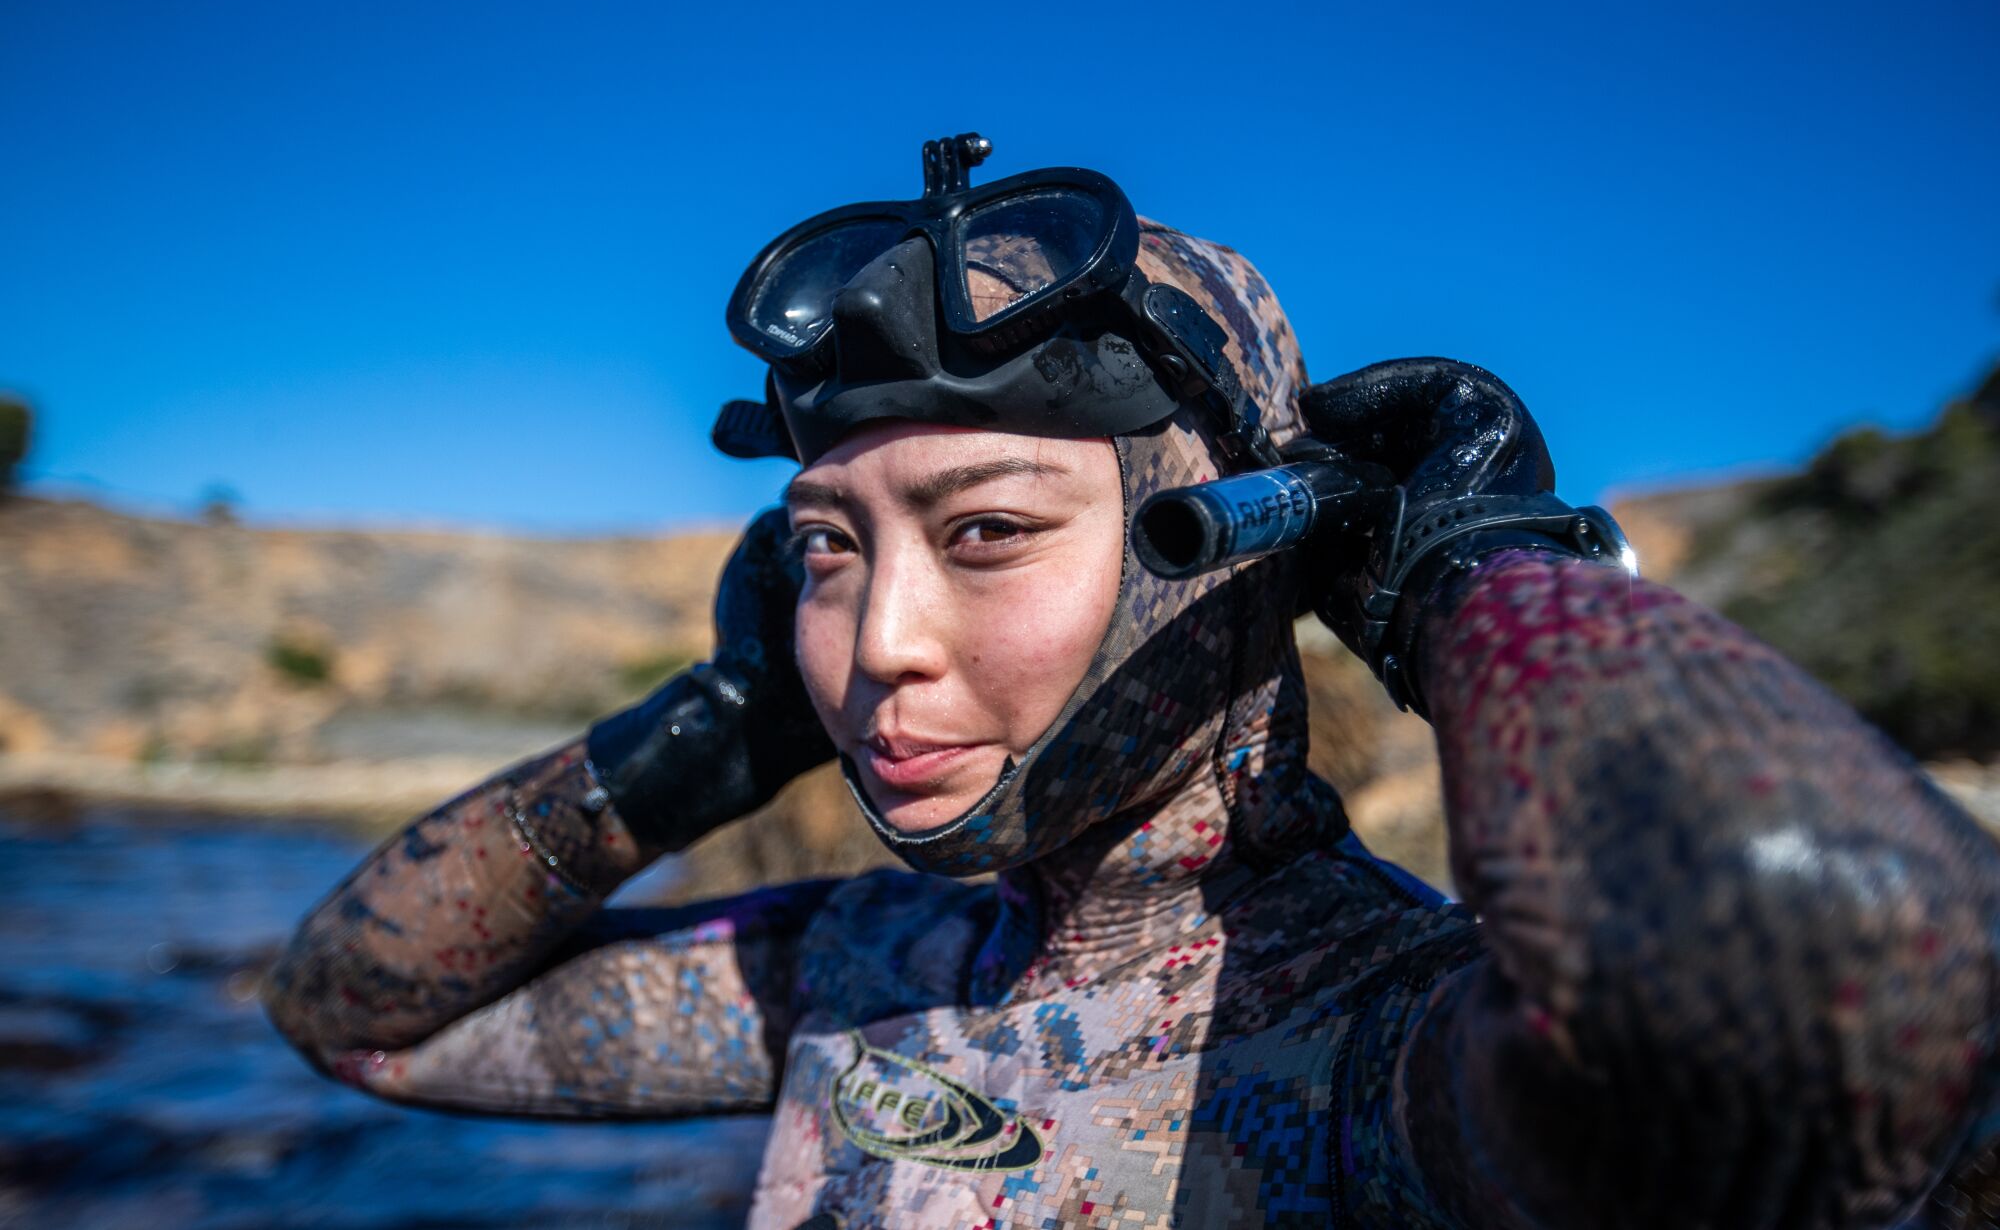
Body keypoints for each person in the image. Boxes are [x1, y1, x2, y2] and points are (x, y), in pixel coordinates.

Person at [265, 135, 2000, 1228]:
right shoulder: (862, 967)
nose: (874, 650)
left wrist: (1475, 578)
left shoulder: (1396, 1059)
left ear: (1240, 551)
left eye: (991, 530)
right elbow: (356, 1015)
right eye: (826, 548)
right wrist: (718, 728)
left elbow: (1843, 986)